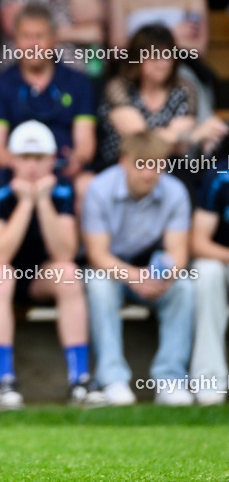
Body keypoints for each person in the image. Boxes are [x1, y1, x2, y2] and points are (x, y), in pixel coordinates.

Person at [0, 121, 104, 409]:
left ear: (52, 159)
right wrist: (24, 204)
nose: (32, 166)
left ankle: (79, 379)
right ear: (12, 158)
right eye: (24, 157)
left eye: (39, 158)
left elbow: (65, 252)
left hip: (39, 276)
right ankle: (4, 381)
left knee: (69, 274)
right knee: (0, 275)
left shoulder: (63, 188)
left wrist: (43, 202)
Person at [82, 131, 195, 406]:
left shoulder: (175, 191)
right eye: (141, 164)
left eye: (156, 165)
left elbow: (178, 253)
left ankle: (170, 379)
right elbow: (97, 255)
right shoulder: (99, 189)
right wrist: (134, 276)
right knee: (98, 283)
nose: (148, 174)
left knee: (184, 287)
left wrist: (164, 274)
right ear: (124, 162)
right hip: (114, 272)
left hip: (153, 274)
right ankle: (112, 379)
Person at [0, 4, 97, 191]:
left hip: (65, 172)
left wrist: (77, 160)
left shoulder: (78, 82)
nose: (33, 44)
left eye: (40, 37)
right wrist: (28, 170)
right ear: (15, 40)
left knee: (88, 184)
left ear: (54, 39)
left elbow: (85, 143)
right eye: (26, 36)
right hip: (14, 173)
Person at [108, 0, 215, 118]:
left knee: (187, 82)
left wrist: (143, 45)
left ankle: (203, 145)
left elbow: (198, 49)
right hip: (134, 73)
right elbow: (117, 49)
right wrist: (172, 35)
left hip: (181, 69)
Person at [97, 25, 226, 174]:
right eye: (155, 56)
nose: (163, 64)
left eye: (168, 55)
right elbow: (142, 141)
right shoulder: (118, 87)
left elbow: (180, 148)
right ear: (137, 58)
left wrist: (180, 139)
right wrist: (193, 135)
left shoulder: (184, 89)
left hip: (168, 168)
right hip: (121, 167)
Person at [189, 164, 229, 406]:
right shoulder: (222, 177)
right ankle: (209, 380)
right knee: (206, 272)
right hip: (222, 262)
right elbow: (198, 243)